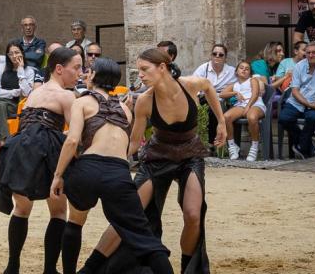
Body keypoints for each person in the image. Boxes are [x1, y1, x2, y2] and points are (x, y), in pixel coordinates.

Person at [85, 47, 225, 274]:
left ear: (162, 67)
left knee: (193, 215)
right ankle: (91, 268)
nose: (139, 74)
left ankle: (187, 269)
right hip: (157, 156)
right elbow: (134, 142)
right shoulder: (145, 101)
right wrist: (112, 161)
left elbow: (209, 88)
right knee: (130, 213)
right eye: (137, 70)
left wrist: (221, 121)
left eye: (144, 69)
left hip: (190, 154)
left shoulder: (189, 85)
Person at [52, 58, 176, 274]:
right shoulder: (125, 110)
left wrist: (58, 175)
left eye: (88, 72)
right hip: (118, 173)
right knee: (145, 239)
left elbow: (72, 141)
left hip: (87, 170)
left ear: (94, 77)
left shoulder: (82, 101)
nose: (85, 75)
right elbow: (124, 144)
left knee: (75, 222)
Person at [0, 45, 86, 274]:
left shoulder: (36, 92)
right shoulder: (66, 95)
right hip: (47, 151)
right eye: (77, 67)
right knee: (58, 212)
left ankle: (12, 266)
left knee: (22, 210)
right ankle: (49, 270)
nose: (80, 72)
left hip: (20, 150)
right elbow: (75, 136)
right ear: (60, 69)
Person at [0, 39, 40, 156]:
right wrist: (14, 92)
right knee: (0, 105)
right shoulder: (1, 68)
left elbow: (26, 93)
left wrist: (20, 69)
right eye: (11, 53)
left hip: (16, 106)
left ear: (22, 53)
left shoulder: (28, 71)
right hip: (1, 102)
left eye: (17, 52)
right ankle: (5, 141)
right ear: (7, 55)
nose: (14, 56)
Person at [222, 64, 266, 161]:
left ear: (250, 72)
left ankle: (254, 147)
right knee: (226, 117)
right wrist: (235, 93)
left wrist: (248, 106)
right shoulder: (234, 85)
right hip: (241, 105)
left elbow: (254, 95)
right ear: (236, 71)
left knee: (252, 117)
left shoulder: (252, 80)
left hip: (255, 104)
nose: (244, 70)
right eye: (241, 68)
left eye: (247, 69)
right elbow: (222, 94)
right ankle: (232, 146)